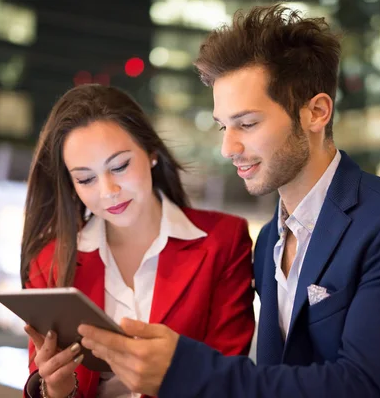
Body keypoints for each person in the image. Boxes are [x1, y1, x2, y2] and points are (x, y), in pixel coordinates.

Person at [76, 4, 380, 398]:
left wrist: (185, 370)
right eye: (223, 126)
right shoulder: (270, 238)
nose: (228, 147)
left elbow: (365, 388)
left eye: (247, 124)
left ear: (316, 112)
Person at [20, 84, 255, 398]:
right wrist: (57, 391)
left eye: (119, 166)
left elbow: (229, 382)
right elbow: (42, 380)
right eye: (85, 178)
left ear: (151, 153)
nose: (108, 190)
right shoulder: (49, 262)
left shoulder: (223, 242)